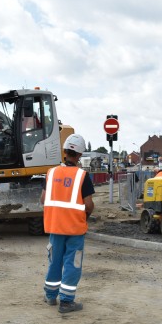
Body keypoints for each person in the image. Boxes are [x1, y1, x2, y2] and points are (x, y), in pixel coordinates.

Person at [39, 133, 95, 313]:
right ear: (79, 155)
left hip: (55, 227)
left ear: (64, 152)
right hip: (75, 229)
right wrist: (86, 215)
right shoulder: (82, 175)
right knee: (73, 263)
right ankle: (66, 301)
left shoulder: (51, 173)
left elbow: (42, 199)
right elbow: (88, 204)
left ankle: (50, 295)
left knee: (54, 261)